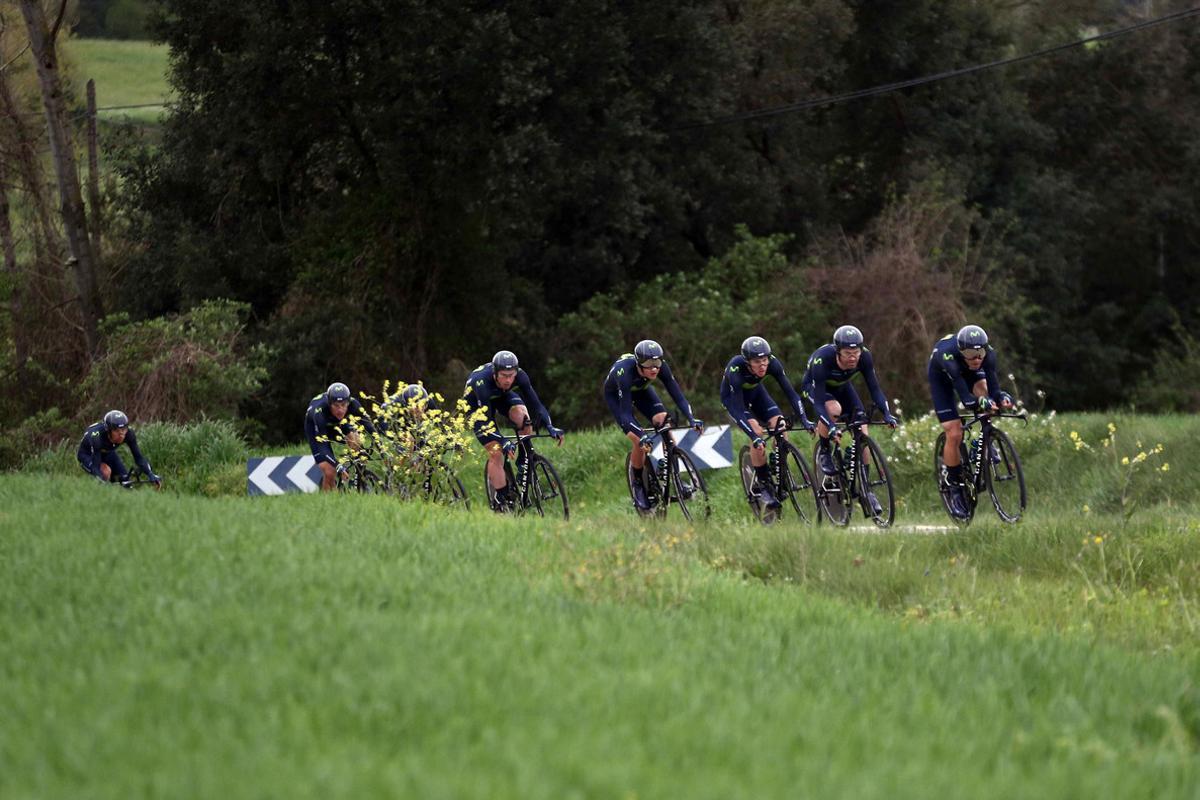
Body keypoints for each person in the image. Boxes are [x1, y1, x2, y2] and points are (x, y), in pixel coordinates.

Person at [802, 325, 897, 515]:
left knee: (863, 430)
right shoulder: (823, 359)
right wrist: (829, 427)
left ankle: (866, 488)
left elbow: (875, 389)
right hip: (816, 390)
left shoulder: (865, 357)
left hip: (843, 387)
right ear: (838, 352)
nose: (853, 357)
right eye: (847, 353)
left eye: (856, 352)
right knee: (833, 409)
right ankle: (825, 452)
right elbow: (820, 403)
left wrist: (887, 414)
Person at [603, 339, 704, 511]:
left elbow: (678, 395)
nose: (654, 368)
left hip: (642, 391)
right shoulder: (625, 372)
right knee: (637, 439)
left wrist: (691, 418)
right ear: (638, 363)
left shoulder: (661, 366)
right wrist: (641, 435)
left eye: (657, 363)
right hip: (618, 396)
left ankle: (676, 478)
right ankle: (638, 486)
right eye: (649, 364)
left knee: (663, 421)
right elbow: (626, 414)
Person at [928, 324, 1015, 518]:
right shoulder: (948, 356)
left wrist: (1001, 398)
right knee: (954, 431)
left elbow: (993, 389)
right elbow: (967, 399)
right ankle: (956, 489)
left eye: (979, 353)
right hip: (943, 376)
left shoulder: (987, 355)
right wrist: (980, 402)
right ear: (961, 350)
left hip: (967, 372)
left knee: (984, 390)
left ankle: (985, 440)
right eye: (970, 353)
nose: (976, 358)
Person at [719, 336, 814, 509]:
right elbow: (740, 410)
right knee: (756, 431)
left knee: (780, 424)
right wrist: (754, 437)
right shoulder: (736, 369)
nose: (763, 365)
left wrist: (805, 419)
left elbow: (791, 394)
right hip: (735, 401)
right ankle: (764, 484)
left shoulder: (773, 363)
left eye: (765, 360)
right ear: (747, 362)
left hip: (757, 394)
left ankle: (779, 466)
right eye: (757, 362)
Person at [464, 351, 564, 511]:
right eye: (504, 376)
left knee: (524, 417)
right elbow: (487, 421)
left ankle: (523, 462)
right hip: (477, 407)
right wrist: (503, 441)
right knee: (496, 452)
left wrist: (550, 426)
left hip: (501, 396)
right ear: (495, 373)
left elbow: (537, 405)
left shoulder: (520, 376)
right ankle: (502, 496)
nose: (509, 380)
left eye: (511, 375)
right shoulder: (481, 382)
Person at [305, 382, 377, 492]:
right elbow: (323, 446)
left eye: (343, 405)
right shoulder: (319, 411)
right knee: (330, 471)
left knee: (356, 440)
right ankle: (328, 500)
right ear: (329, 404)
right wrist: (338, 466)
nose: (340, 410)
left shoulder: (353, 404)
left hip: (338, 423)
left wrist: (379, 445)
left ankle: (359, 476)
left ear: (348, 402)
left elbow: (368, 425)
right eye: (336, 406)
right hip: (317, 429)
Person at [77, 410, 161, 488]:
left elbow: (138, 457)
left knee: (126, 482)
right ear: (108, 431)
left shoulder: (129, 434)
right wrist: (102, 481)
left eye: (123, 429)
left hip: (108, 453)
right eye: (117, 431)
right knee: (104, 473)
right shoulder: (97, 437)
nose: (121, 434)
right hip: (88, 454)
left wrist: (150, 474)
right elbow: (96, 467)